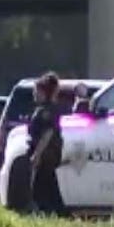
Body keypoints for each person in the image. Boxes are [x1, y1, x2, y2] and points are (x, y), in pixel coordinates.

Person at [28, 71, 67, 215]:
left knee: (41, 189)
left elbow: (47, 134)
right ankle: (58, 213)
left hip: (46, 155)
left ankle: (50, 213)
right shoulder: (46, 109)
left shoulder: (47, 111)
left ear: (43, 92)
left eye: (36, 91)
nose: (34, 94)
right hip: (47, 155)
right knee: (50, 187)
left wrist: (37, 155)